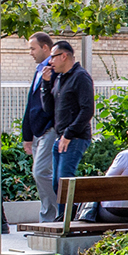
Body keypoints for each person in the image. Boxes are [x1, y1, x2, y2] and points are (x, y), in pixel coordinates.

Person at [39, 39, 95, 185]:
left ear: (64, 56)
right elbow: (49, 109)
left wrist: (69, 134)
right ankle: (66, 203)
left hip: (75, 137)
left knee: (64, 183)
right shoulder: (59, 78)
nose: (50, 61)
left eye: (53, 57)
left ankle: (72, 202)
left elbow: (87, 110)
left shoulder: (80, 77)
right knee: (57, 184)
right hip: (60, 137)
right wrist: (45, 83)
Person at [20, 32, 59, 222]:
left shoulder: (55, 69)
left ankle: (60, 213)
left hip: (49, 130)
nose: (30, 52)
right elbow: (31, 104)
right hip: (37, 132)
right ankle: (49, 217)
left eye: (32, 48)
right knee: (41, 175)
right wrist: (27, 136)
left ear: (45, 48)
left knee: (41, 172)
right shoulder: (39, 70)